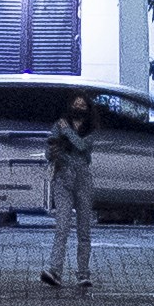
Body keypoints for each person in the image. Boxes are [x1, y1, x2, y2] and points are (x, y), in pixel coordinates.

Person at [40, 95, 101, 292]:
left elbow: (82, 146)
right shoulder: (58, 125)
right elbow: (48, 151)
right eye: (76, 104)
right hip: (63, 177)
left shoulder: (90, 129)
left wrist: (66, 131)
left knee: (84, 228)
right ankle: (54, 270)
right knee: (62, 226)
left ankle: (83, 272)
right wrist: (53, 150)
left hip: (83, 179)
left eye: (82, 105)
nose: (78, 107)